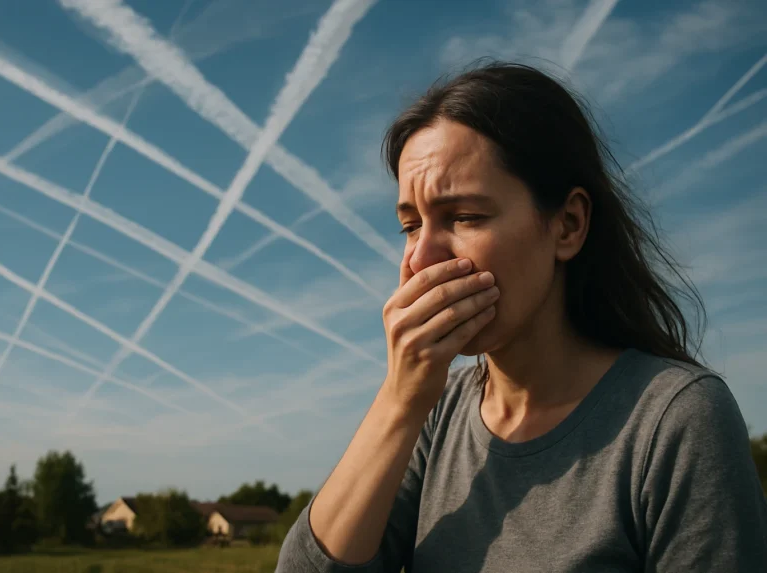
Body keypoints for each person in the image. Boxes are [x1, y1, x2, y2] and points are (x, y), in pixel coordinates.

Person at [274, 61, 767, 572]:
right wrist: (400, 398)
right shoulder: (435, 414)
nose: (420, 259)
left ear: (568, 226)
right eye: (410, 225)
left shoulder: (675, 419)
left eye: (464, 217)